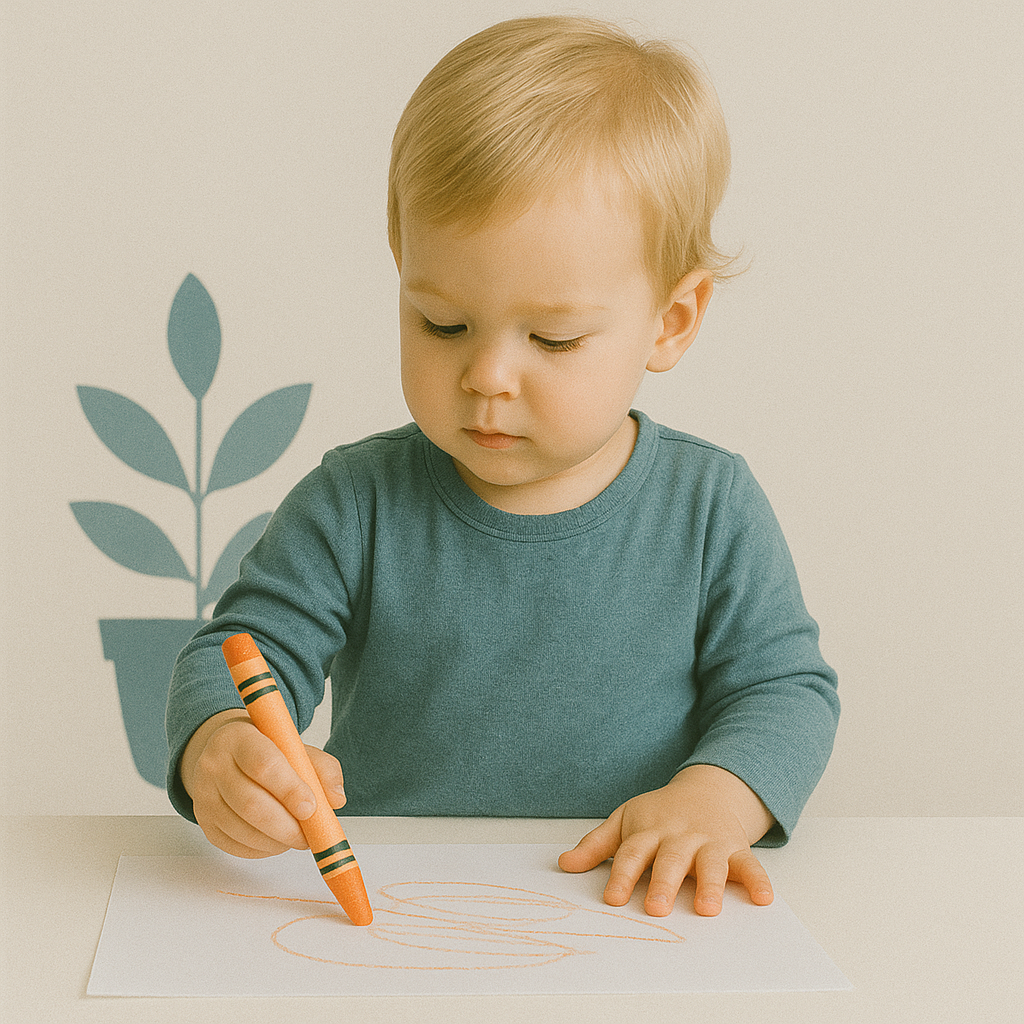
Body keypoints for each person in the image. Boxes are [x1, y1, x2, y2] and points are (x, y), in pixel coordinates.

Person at [166, 15, 840, 919]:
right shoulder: (354, 501)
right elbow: (239, 654)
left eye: (554, 338)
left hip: (632, 912)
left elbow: (785, 690)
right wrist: (222, 746)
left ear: (671, 321)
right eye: (441, 322)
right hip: (397, 909)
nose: (486, 377)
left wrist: (712, 801)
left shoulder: (709, 505)